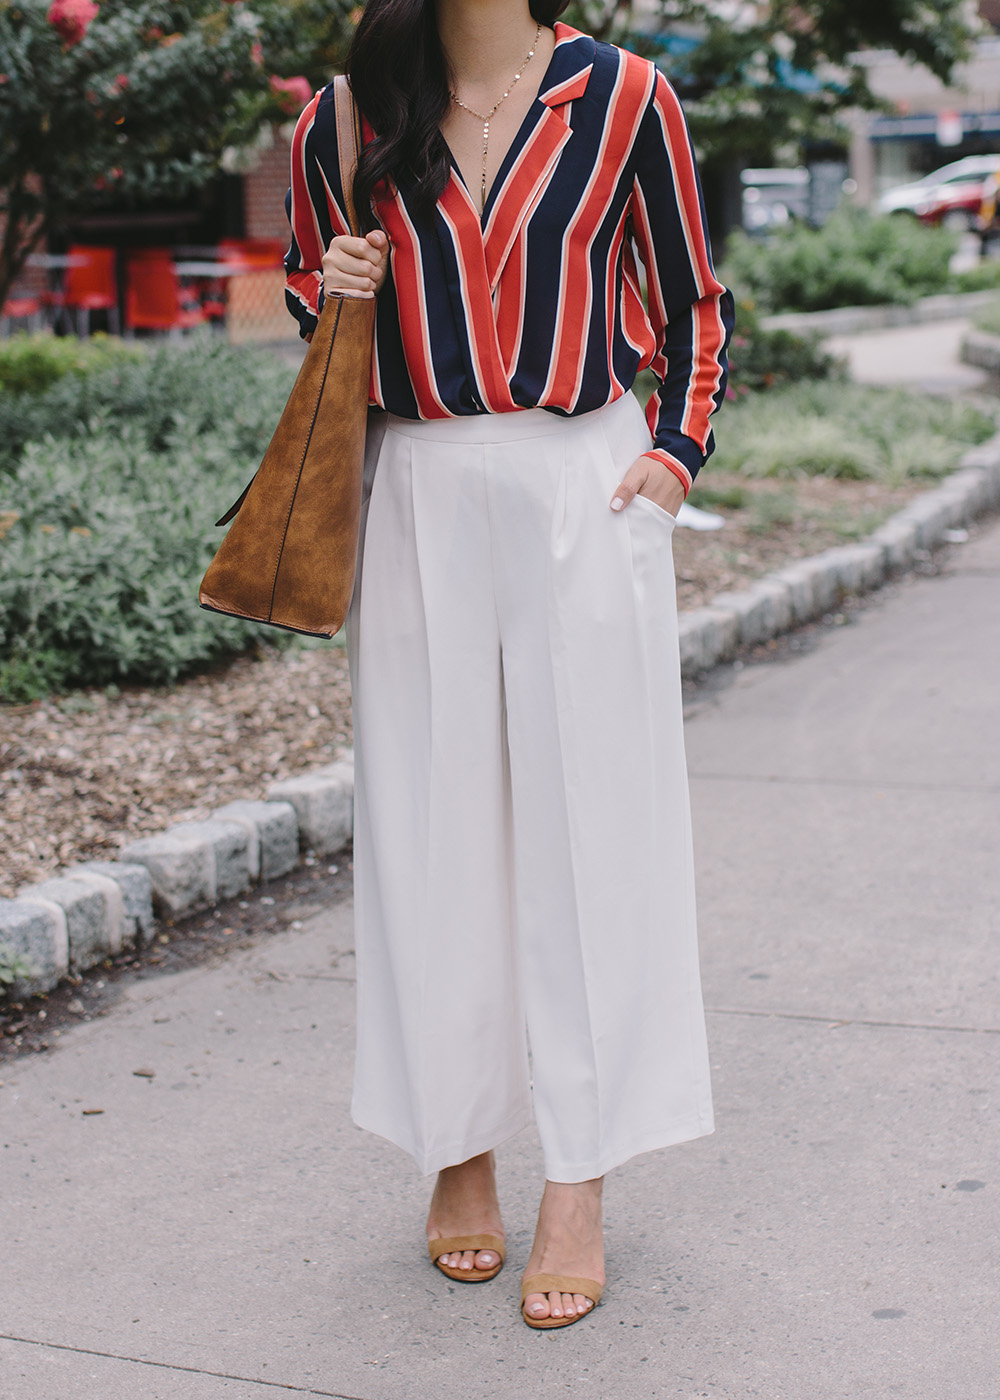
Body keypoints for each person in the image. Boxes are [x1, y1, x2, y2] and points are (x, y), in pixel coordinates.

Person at [283, 0, 734, 1331]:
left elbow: (693, 299)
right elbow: (317, 300)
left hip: (579, 482)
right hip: (414, 484)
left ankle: (580, 1175)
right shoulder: (351, 112)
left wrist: (671, 457)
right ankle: (457, 1147)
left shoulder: (628, 98)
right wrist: (335, 290)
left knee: (598, 832)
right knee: (434, 834)